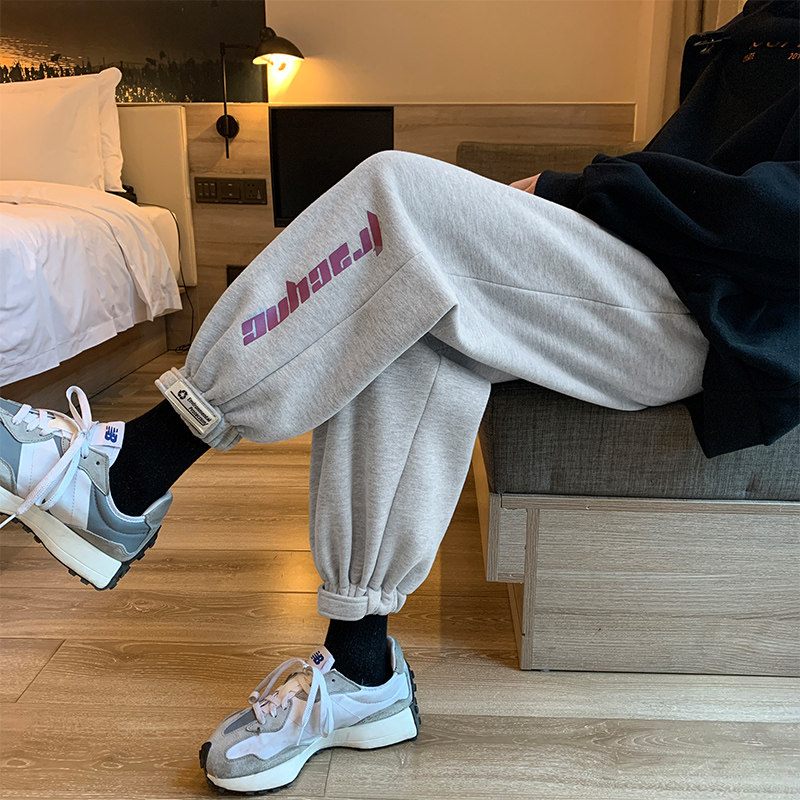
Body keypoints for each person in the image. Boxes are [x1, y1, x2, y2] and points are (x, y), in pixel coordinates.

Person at [1, 0, 797, 794]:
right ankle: (362, 669)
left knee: (395, 190)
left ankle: (134, 470)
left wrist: (580, 189)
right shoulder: (759, 16)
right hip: (663, 272)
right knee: (399, 316)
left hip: (723, 315)